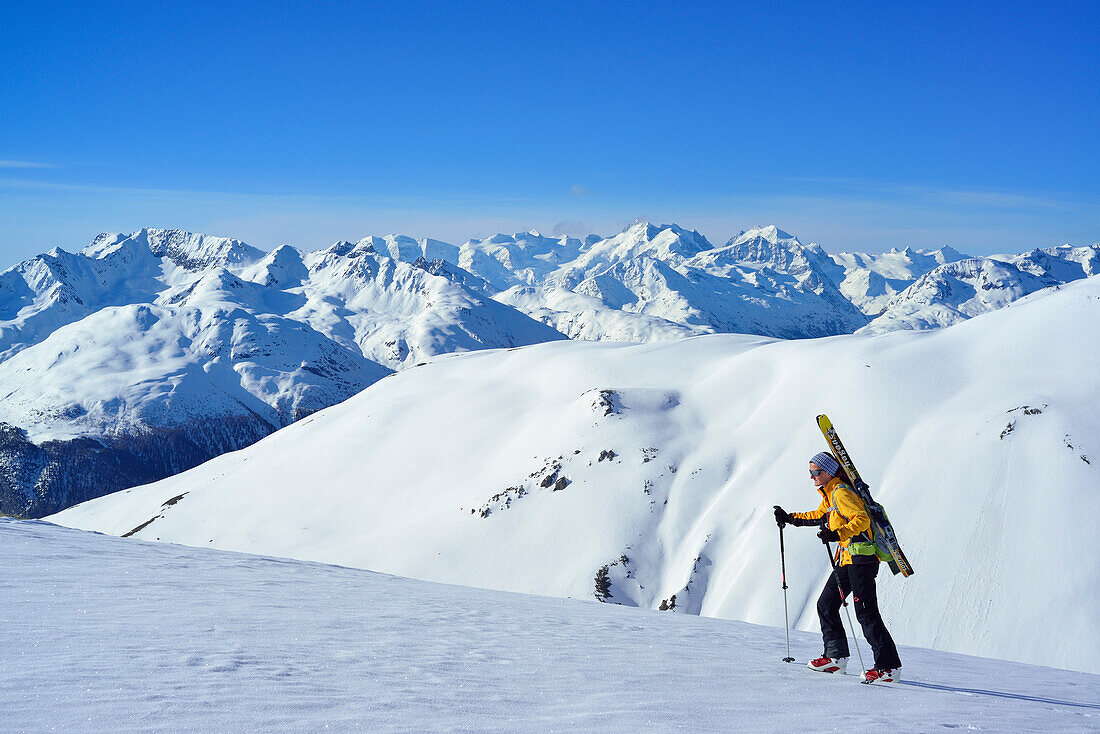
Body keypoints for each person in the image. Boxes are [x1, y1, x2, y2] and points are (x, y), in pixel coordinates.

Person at [773, 451, 902, 684]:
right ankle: (835, 658)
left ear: (828, 472)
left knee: (866, 613)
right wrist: (790, 518)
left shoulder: (841, 492)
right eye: (810, 472)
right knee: (827, 604)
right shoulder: (830, 494)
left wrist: (838, 533)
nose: (812, 477)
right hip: (847, 560)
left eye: (816, 472)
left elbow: (861, 519)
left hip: (862, 559)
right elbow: (819, 516)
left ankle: (888, 669)